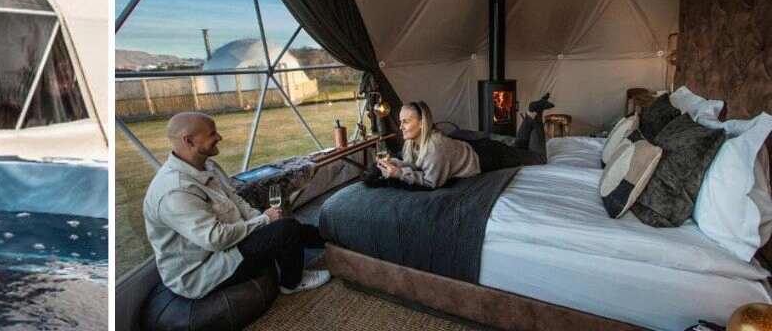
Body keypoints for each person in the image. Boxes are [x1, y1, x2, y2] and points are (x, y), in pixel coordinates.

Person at [142, 111, 328, 301]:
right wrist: (265, 219)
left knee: (288, 225)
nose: (219, 137)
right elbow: (215, 239)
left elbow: (236, 200)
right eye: (212, 133)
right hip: (204, 271)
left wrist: (263, 220)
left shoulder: (208, 166)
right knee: (286, 229)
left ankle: (333, 240)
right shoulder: (175, 191)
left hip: (229, 245)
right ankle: (291, 283)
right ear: (189, 141)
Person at [371, 96, 553, 189]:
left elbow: (431, 182)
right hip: (475, 147)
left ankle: (536, 115)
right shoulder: (410, 143)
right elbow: (413, 164)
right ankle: (529, 116)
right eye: (400, 121)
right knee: (518, 149)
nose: (400, 127)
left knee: (537, 158)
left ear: (422, 123)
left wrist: (398, 175)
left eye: (406, 122)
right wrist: (393, 163)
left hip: (487, 156)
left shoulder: (435, 146)